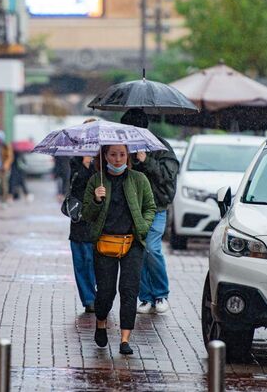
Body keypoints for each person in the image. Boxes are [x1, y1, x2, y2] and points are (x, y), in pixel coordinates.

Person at [82, 144, 156, 355]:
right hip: (105, 243)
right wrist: (96, 199)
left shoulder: (139, 179)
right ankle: (101, 322)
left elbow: (150, 207)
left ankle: (125, 339)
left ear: (128, 156)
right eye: (113, 154)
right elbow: (87, 214)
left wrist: (143, 226)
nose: (117, 159)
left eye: (122, 154)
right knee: (106, 292)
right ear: (105, 155)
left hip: (132, 243)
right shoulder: (96, 180)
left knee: (129, 289)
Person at [120, 109, 179, 315]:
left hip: (157, 207)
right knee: (138, 252)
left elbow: (167, 176)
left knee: (151, 249)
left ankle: (161, 294)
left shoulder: (160, 146)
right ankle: (145, 297)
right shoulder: (124, 148)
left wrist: (146, 160)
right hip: (132, 208)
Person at [67, 119, 98, 313]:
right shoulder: (76, 161)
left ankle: (101, 297)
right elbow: (75, 187)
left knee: (95, 261)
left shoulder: (107, 160)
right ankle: (88, 300)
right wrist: (85, 165)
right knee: (80, 260)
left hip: (98, 219)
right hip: (79, 219)